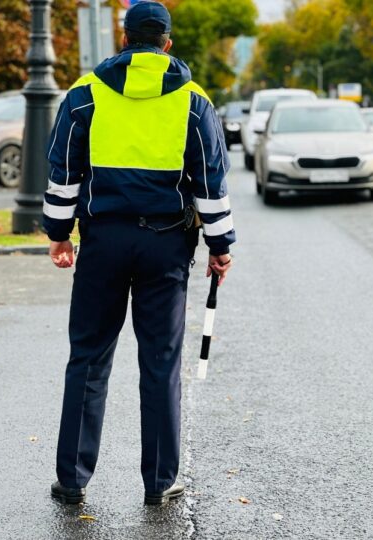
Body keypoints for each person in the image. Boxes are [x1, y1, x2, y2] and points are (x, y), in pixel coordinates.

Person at [43, 0, 234, 506]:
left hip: (103, 243)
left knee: (88, 356)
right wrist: (221, 245)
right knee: (160, 360)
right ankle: (159, 481)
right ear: (167, 43)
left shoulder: (86, 95)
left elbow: (63, 171)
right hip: (165, 245)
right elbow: (210, 181)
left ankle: (72, 479)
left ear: (124, 39)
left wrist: (59, 234)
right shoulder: (194, 103)